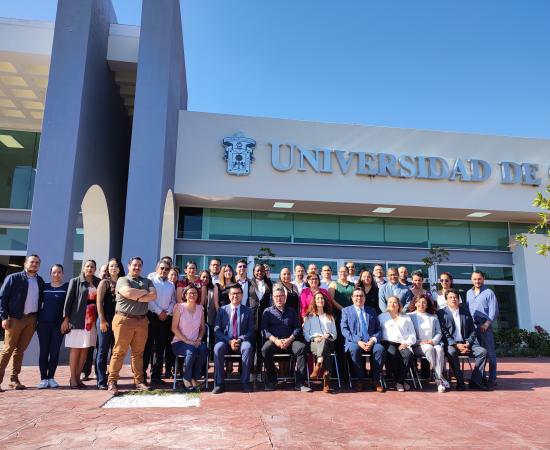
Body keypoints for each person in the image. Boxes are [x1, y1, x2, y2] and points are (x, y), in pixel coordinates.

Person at [107, 257, 157, 395]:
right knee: (119, 352)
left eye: (139, 265)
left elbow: (153, 296)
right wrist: (143, 293)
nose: (137, 267)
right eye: (134, 265)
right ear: (129, 266)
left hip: (141, 321)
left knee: (138, 353)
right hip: (124, 320)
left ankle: (139, 381)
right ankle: (112, 381)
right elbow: (127, 292)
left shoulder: (147, 281)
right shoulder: (122, 280)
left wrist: (136, 295)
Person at [0, 254, 44, 391]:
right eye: (32, 262)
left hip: (31, 319)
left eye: (37, 263)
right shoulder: (13, 278)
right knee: (8, 350)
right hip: (14, 318)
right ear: (25, 263)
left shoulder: (40, 281)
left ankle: (14, 379)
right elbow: (3, 298)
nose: (34, 264)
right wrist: (4, 317)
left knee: (20, 351)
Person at [261, 287, 311, 392]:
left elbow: (297, 328)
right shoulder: (267, 311)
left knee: (302, 347)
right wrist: (276, 340)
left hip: (290, 342)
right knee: (265, 349)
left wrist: (290, 339)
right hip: (274, 342)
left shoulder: (292, 311)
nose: (279, 298)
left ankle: (300, 383)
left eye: (281, 296)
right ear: (273, 298)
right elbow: (264, 330)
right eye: (276, 296)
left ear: (285, 297)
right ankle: (272, 380)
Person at [438, 288, 488, 391]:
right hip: (452, 344)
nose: (453, 299)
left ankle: (475, 380)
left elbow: (473, 331)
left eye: (455, 297)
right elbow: (443, 332)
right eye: (450, 297)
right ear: (446, 300)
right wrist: (456, 345)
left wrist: (468, 343)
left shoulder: (465, 312)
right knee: (451, 353)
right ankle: (460, 382)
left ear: (459, 299)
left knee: (482, 352)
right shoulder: (441, 313)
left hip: (466, 343)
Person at [61, 260, 100, 388]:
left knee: (85, 349)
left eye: (92, 266)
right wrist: (66, 319)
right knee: (75, 348)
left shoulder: (98, 282)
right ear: (84, 268)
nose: (89, 268)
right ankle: (72, 378)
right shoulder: (75, 281)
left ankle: (78, 378)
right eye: (87, 266)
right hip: (77, 320)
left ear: (95, 269)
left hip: (92, 321)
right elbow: (68, 301)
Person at [212, 284, 255, 394]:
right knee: (217, 348)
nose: (235, 296)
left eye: (238, 293)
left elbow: (250, 331)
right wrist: (229, 340)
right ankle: (220, 383)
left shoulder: (248, 311)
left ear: (242, 295)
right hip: (226, 341)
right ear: (229, 296)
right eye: (233, 293)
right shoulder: (222, 310)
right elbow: (217, 329)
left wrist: (239, 339)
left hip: (241, 341)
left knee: (248, 347)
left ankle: (245, 382)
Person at [340, 288, 385, 392]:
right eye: (356, 296)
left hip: (371, 341)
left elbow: (378, 329)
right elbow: (344, 330)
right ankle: (360, 380)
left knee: (380, 349)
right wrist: (358, 341)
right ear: (352, 298)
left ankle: (375, 380)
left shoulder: (372, 310)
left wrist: (373, 340)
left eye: (361, 296)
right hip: (354, 341)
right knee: (354, 350)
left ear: (364, 298)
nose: (358, 298)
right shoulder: (346, 311)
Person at [407, 294, 449, 393]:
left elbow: (439, 332)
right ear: (415, 303)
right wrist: (419, 342)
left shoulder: (433, 317)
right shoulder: (410, 316)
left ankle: (438, 379)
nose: (421, 304)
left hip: (433, 343)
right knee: (429, 348)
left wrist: (433, 341)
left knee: (439, 349)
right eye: (419, 302)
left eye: (424, 302)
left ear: (427, 305)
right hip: (418, 345)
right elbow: (408, 333)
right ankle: (440, 378)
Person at [143, 260, 176, 386]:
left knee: (160, 348)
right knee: (148, 347)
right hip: (152, 317)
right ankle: (142, 376)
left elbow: (173, 301)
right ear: (157, 268)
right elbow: (149, 299)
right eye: (162, 268)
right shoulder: (150, 282)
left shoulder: (171, 285)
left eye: (167, 269)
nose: (164, 271)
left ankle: (156, 376)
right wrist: (158, 311)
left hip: (164, 319)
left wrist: (166, 312)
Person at [171, 284, 208, 392]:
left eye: (195, 293)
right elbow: (174, 328)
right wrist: (186, 341)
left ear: (198, 295)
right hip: (179, 342)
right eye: (190, 293)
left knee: (203, 349)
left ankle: (194, 378)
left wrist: (199, 339)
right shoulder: (179, 307)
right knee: (191, 351)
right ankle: (186, 378)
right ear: (185, 295)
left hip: (195, 342)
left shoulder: (200, 309)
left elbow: (202, 328)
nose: (192, 295)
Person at [36, 264, 67, 389]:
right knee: (44, 351)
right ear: (50, 273)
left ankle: (51, 377)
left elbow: (69, 306)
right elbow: (37, 304)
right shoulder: (44, 287)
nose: (56, 274)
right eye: (54, 272)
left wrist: (66, 320)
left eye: (59, 272)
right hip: (43, 325)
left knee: (54, 352)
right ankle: (43, 378)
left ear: (62, 274)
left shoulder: (66, 287)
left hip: (58, 326)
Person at [95, 258, 124, 390]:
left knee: (115, 350)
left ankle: (112, 378)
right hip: (105, 319)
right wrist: (102, 320)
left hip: (118, 320)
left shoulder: (123, 282)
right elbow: (99, 303)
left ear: (120, 268)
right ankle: (101, 380)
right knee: (103, 350)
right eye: (111, 266)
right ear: (108, 268)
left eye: (116, 266)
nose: (113, 268)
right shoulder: (104, 283)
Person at [467, 271, 499, 388]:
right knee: (481, 353)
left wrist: (487, 323)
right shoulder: (468, 293)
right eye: (475, 279)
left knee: (490, 353)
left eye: (479, 279)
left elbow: (494, 311)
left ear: (483, 279)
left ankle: (492, 378)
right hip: (472, 328)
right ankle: (481, 377)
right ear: (471, 280)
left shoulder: (489, 293)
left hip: (484, 326)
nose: (477, 281)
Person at [379, 296, 417, 392]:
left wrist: (406, 343)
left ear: (399, 304)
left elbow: (412, 333)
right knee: (394, 355)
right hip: (388, 342)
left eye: (395, 302)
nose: (392, 304)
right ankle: (400, 381)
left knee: (408, 355)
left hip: (403, 343)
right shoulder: (382, 316)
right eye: (390, 302)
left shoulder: (406, 317)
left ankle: (399, 381)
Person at [303, 292, 337, 393]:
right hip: (314, 344)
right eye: (317, 299)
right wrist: (314, 338)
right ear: (314, 301)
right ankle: (326, 382)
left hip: (328, 342)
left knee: (325, 341)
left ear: (325, 301)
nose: (320, 300)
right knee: (323, 346)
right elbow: (306, 334)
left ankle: (318, 366)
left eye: (322, 298)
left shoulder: (330, 316)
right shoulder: (309, 316)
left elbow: (335, 334)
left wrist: (328, 335)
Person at [200, 270, 216, 353]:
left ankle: (211, 357)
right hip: (199, 316)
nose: (205, 279)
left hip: (211, 316)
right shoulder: (196, 289)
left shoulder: (213, 289)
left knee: (211, 337)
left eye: (207, 277)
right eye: (203, 277)